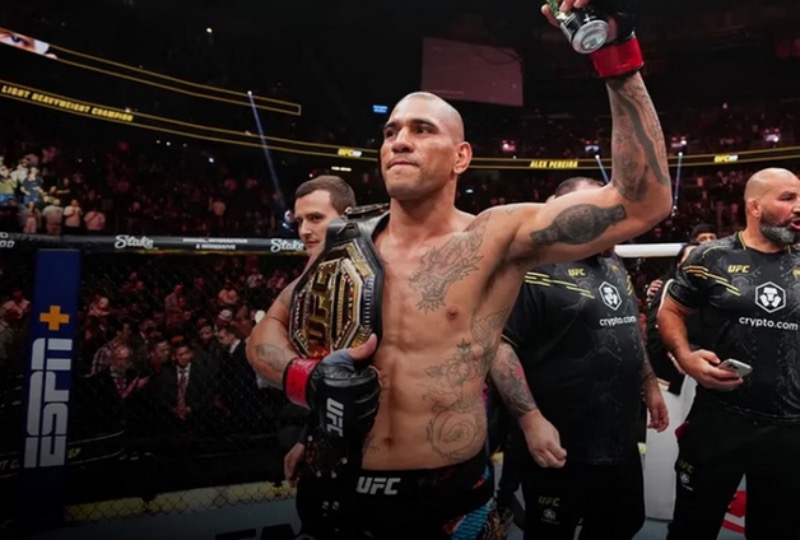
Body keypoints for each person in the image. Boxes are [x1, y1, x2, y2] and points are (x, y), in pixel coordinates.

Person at [248, 2, 672, 536]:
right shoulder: (346, 243)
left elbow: (643, 201)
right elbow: (266, 331)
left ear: (461, 157)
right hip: (336, 487)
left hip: (449, 497)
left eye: (422, 129)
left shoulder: (493, 238)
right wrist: (304, 378)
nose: (399, 141)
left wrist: (615, 51)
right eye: (391, 131)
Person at [496, 177, 668, 540]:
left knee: (623, 523)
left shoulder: (612, 260)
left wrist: (649, 383)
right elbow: (499, 345)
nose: (606, 219)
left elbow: (625, 325)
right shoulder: (531, 267)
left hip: (618, 437)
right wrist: (530, 419)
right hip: (561, 438)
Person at [658, 167, 800, 540]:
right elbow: (670, 312)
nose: (799, 206)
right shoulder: (710, 256)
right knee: (692, 529)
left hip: (789, 427)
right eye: (788, 198)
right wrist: (685, 356)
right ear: (754, 206)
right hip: (719, 420)